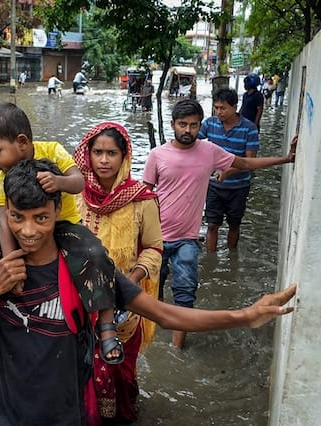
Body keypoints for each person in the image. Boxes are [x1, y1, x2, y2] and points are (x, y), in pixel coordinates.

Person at [0, 157, 297, 426]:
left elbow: (165, 313)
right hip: (1, 415)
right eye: (18, 217)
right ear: (7, 213)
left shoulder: (85, 265)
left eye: (41, 217)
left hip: (68, 416)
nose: (29, 230)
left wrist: (246, 316)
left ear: (57, 211)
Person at [0, 102, 124, 365]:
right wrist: (12, 267)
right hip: (19, 232)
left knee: (96, 254)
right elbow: (5, 222)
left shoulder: (52, 150)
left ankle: (107, 325)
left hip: (64, 227)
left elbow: (79, 182)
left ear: (21, 142)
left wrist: (58, 182)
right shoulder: (2, 178)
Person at [142, 99, 296, 349]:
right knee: (149, 295)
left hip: (187, 239)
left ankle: (175, 349)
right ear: (172, 125)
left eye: (193, 125)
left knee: (185, 295)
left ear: (200, 125)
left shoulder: (209, 151)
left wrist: (286, 159)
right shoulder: (157, 155)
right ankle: (148, 343)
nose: (187, 130)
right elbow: (144, 195)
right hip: (155, 239)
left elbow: (245, 164)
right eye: (182, 124)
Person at [74, 122, 162, 424]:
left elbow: (154, 248)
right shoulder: (75, 194)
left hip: (124, 306)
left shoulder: (143, 199)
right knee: (83, 371)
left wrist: (132, 280)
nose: (103, 160)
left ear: (124, 156)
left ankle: (122, 415)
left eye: (111, 153)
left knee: (121, 372)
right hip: (79, 302)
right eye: (97, 152)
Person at [200, 88, 260, 253]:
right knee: (212, 225)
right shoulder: (210, 123)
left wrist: (227, 172)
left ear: (235, 106)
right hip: (214, 186)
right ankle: (211, 260)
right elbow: (192, 140)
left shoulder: (249, 129)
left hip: (238, 187)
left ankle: (232, 255)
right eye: (216, 107)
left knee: (234, 224)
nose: (219, 112)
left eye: (223, 108)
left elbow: (250, 160)